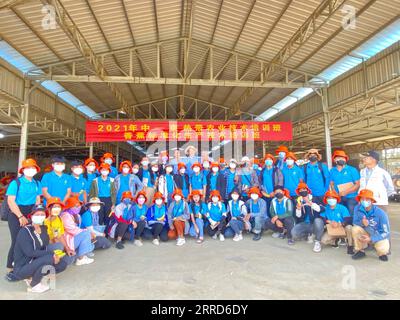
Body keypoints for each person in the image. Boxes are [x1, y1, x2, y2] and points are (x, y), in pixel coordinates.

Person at [12, 204, 68, 293]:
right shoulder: (24, 231)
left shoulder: (44, 228)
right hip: (22, 268)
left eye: (42, 215)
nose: (40, 217)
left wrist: (55, 255)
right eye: (37, 214)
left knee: (63, 264)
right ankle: (33, 285)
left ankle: (35, 277)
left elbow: (44, 247)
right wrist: (51, 255)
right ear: (31, 216)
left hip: (36, 261)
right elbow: (29, 253)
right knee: (50, 258)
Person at [5, 158, 41, 273]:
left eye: (33, 168)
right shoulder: (16, 183)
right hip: (16, 213)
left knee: (31, 238)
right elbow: (11, 201)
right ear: (23, 170)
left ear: (36, 170)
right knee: (17, 240)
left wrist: (37, 216)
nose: (30, 170)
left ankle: (25, 262)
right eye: (28, 168)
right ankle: (11, 266)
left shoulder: (37, 183)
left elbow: (37, 200)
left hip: (31, 212)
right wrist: (20, 216)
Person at [352, 189, 391, 261]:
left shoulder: (381, 213)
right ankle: (360, 250)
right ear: (359, 200)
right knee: (355, 229)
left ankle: (381, 254)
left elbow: (386, 232)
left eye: (367, 199)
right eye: (362, 199)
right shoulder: (357, 208)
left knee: (383, 249)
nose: (364, 201)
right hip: (365, 232)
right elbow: (355, 222)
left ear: (372, 201)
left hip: (377, 234)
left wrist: (372, 238)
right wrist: (362, 223)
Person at [60, 197, 95, 265]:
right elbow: (72, 230)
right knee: (86, 234)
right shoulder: (65, 216)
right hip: (67, 240)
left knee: (90, 240)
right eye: (76, 206)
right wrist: (85, 232)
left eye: (79, 205)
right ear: (70, 207)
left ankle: (83, 254)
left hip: (73, 238)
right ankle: (80, 259)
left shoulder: (77, 215)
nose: (78, 207)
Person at [290, 183, 324, 253]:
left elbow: (322, 209)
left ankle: (317, 241)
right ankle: (309, 234)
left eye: (304, 189)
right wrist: (298, 209)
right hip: (304, 223)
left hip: (314, 223)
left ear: (307, 190)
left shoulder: (315, 198)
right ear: (299, 192)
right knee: (294, 233)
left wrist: (311, 204)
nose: (303, 191)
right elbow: (298, 216)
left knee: (318, 221)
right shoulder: (298, 201)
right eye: (301, 190)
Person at [44, 197, 75, 264]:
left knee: (71, 258)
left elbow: (60, 235)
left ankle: (57, 259)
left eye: (59, 207)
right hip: (45, 247)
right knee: (59, 246)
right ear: (49, 208)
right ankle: (50, 260)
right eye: (55, 207)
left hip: (56, 244)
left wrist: (67, 248)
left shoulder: (58, 219)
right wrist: (55, 241)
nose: (57, 209)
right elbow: (44, 240)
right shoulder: (44, 220)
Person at [329, 150, 360, 216]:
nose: (341, 159)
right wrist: (335, 193)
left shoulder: (352, 170)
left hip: (351, 197)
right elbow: (331, 183)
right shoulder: (332, 170)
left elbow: (357, 184)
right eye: (338, 158)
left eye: (343, 158)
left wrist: (346, 192)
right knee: (341, 214)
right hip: (339, 197)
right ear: (334, 160)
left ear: (346, 159)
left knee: (352, 214)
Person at [89, 162, 116, 228]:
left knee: (108, 217)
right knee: (99, 216)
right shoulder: (95, 181)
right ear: (100, 171)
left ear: (109, 171)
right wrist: (92, 203)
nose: (104, 171)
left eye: (106, 170)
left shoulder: (112, 180)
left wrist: (113, 204)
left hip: (108, 200)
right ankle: (99, 232)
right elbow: (92, 193)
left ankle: (106, 233)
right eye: (103, 170)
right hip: (98, 200)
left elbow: (113, 193)